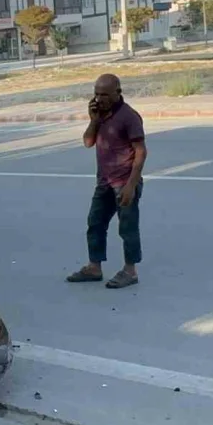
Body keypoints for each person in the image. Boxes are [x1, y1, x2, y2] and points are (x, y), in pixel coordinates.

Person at [67, 74, 148, 289]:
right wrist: (94, 120)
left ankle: (130, 271)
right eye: (96, 94)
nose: (99, 99)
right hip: (104, 182)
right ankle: (95, 267)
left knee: (127, 227)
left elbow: (141, 151)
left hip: (124, 182)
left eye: (104, 94)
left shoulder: (129, 117)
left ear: (118, 93)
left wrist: (131, 185)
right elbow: (87, 142)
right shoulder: (100, 115)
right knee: (95, 223)